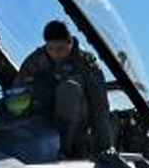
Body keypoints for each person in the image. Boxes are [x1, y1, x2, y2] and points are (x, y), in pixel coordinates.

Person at [10, 20, 115, 159]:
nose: (55, 54)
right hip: (43, 121)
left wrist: (106, 146)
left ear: (70, 42)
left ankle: (62, 150)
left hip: (78, 123)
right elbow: (17, 90)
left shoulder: (86, 64)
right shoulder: (35, 61)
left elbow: (99, 106)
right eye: (50, 48)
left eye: (60, 48)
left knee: (68, 89)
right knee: (11, 101)